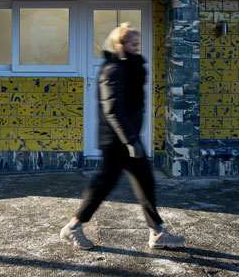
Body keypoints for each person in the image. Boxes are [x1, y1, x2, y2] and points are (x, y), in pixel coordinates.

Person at [60, 23, 185, 251]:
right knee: (108, 183)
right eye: (133, 44)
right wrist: (130, 141)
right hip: (118, 141)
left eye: (138, 43)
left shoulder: (129, 67)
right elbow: (113, 109)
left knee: (140, 182)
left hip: (126, 139)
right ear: (121, 44)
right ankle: (74, 227)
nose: (137, 48)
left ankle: (157, 232)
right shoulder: (114, 70)